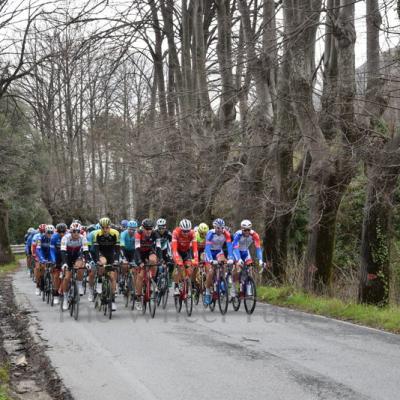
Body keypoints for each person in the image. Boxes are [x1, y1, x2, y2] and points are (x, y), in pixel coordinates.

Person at [60, 222, 90, 311]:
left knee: (81, 266)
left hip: (77, 256)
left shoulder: (83, 238)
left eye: (78, 231)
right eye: (74, 231)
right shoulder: (65, 238)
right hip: (67, 257)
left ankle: (80, 284)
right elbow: (62, 251)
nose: (76, 233)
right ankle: (65, 298)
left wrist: (87, 262)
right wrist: (65, 263)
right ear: (70, 231)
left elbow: (85, 251)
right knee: (67, 278)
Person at [92, 217, 120, 311]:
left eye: (106, 227)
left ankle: (112, 300)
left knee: (112, 277)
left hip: (111, 254)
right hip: (101, 253)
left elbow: (117, 249)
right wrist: (97, 260)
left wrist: (116, 260)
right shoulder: (97, 234)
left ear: (110, 227)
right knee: (102, 263)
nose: (105, 230)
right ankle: (99, 281)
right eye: (102, 227)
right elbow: (96, 250)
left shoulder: (115, 233)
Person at [232, 219, 265, 298]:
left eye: (248, 230)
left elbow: (258, 248)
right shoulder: (237, 235)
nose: (247, 232)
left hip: (246, 252)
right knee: (237, 269)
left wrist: (260, 260)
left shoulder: (255, 235)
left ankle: (248, 289)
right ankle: (232, 289)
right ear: (241, 229)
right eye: (245, 230)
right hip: (236, 252)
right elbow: (235, 248)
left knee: (250, 268)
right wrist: (239, 259)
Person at [133, 219, 162, 311]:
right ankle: (138, 297)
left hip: (149, 251)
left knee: (154, 260)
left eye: (150, 229)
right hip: (139, 253)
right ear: (143, 228)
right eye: (146, 229)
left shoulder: (155, 234)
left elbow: (158, 248)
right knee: (140, 276)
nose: (148, 231)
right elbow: (136, 249)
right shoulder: (138, 233)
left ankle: (152, 280)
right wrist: (139, 262)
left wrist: (160, 259)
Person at [203, 218, 233, 304]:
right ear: (214, 227)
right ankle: (208, 293)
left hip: (218, 251)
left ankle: (222, 281)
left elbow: (229, 246)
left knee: (224, 264)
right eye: (218, 228)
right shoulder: (210, 233)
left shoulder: (226, 233)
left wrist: (230, 258)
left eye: (222, 228)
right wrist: (211, 260)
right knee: (211, 272)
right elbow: (207, 248)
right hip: (209, 253)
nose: (220, 230)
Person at [171, 219, 198, 295]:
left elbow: (195, 249)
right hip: (177, 251)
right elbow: (174, 249)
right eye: (184, 231)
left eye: (187, 231)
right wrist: (178, 261)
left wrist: (196, 259)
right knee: (180, 266)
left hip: (186, 251)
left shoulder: (192, 233)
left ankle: (185, 281)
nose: (186, 233)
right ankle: (176, 286)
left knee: (189, 269)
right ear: (180, 229)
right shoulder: (176, 232)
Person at [49, 223, 68, 305]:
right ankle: (55, 294)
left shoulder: (68, 236)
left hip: (65, 255)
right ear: (57, 232)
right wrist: (53, 261)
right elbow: (52, 251)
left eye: (63, 232)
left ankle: (64, 290)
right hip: (56, 256)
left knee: (67, 275)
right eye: (60, 232)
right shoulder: (54, 237)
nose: (61, 234)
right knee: (56, 276)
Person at [35, 225, 55, 296]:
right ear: (45, 232)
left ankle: (52, 284)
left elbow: (55, 250)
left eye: (51, 232)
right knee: (39, 268)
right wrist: (42, 258)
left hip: (50, 254)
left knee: (54, 268)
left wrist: (54, 260)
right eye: (48, 232)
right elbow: (38, 249)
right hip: (41, 254)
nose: (50, 234)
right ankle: (38, 285)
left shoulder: (54, 238)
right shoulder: (40, 238)